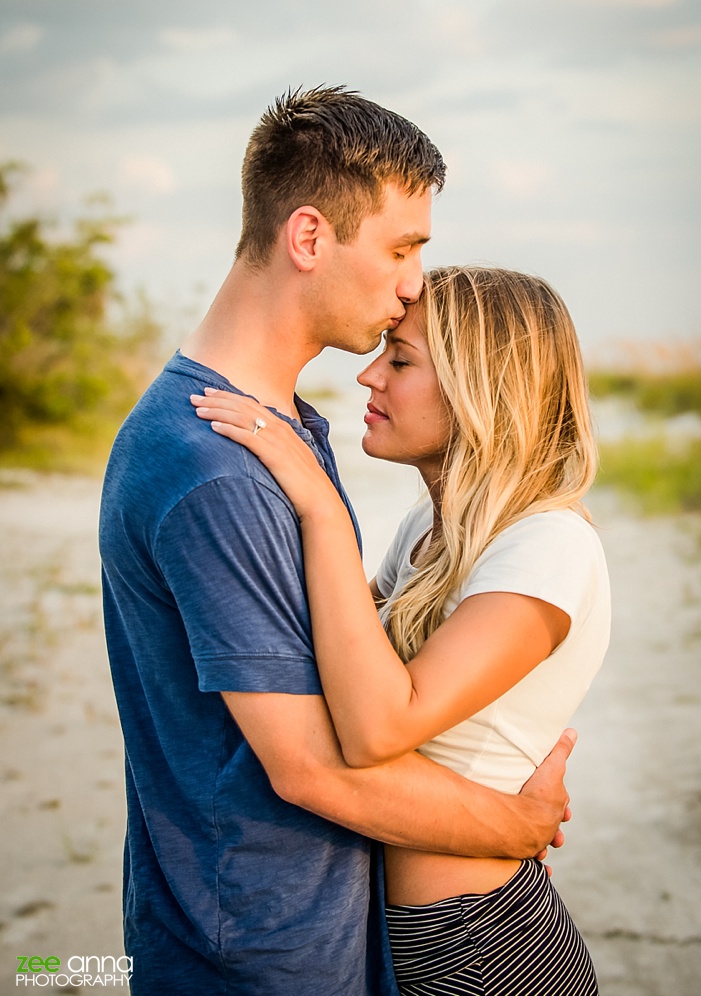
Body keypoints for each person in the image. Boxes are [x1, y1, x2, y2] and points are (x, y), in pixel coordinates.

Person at [99, 87, 576, 996]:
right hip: (258, 955)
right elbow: (315, 769)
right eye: (402, 248)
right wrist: (515, 826)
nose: (415, 283)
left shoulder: (277, 433)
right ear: (310, 238)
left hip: (302, 932)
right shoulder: (217, 467)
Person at [191, 265, 611, 995]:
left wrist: (321, 509)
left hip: (480, 946)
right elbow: (329, 657)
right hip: (411, 938)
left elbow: (377, 727)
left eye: (402, 360)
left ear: (483, 388)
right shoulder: (431, 527)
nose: (369, 376)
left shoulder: (547, 545)